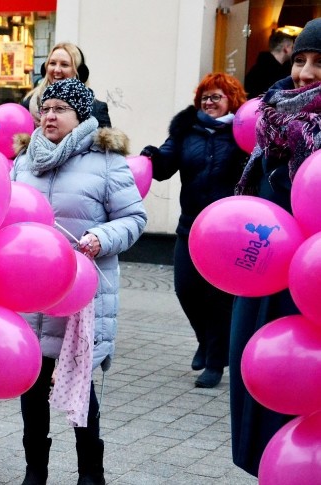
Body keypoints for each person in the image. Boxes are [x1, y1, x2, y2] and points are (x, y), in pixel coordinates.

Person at [10, 77, 147, 485]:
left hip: (79, 295)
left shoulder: (105, 159)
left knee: (78, 386)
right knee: (31, 386)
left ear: (80, 115)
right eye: (45, 108)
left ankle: (91, 471)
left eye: (60, 109)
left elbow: (135, 218)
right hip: (30, 293)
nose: (49, 116)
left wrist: (99, 238)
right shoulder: (23, 160)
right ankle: (36, 470)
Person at [230, 17, 321, 478]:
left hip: (315, 292)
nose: (305, 73)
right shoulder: (275, 121)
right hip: (266, 284)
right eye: (301, 59)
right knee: (264, 389)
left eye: (319, 62)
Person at [139, 73, 248, 388]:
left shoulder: (242, 133)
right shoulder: (186, 130)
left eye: (216, 96)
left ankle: (215, 362)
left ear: (231, 99)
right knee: (186, 288)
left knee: (219, 297)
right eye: (205, 97)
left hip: (228, 230)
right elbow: (164, 168)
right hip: (190, 227)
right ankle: (204, 339)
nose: (209, 102)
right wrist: (151, 157)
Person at [22, 42, 111, 128]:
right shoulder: (28, 105)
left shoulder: (96, 109)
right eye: (52, 63)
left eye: (64, 65)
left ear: (79, 72)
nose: (57, 70)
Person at [244, 30, 295, 99]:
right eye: (292, 47)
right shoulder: (276, 73)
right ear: (286, 48)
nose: (293, 51)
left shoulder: (256, 68)